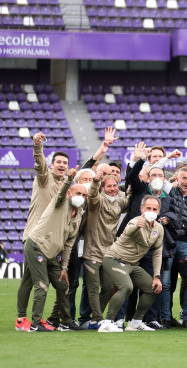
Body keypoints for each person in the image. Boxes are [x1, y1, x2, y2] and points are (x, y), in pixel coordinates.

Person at [16, 166, 85, 332]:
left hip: (53, 254)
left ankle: (66, 322)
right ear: (70, 193)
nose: (80, 197)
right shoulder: (60, 201)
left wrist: (64, 268)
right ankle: (35, 323)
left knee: (63, 286)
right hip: (37, 246)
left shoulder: (79, 214)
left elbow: (69, 243)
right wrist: (68, 179)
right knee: (42, 284)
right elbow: (61, 193)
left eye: (84, 195)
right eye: (77, 193)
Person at [98, 196, 164, 332]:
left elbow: (157, 253)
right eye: (148, 208)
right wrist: (136, 227)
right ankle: (107, 322)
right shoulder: (135, 221)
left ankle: (135, 322)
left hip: (132, 265)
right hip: (114, 259)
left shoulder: (159, 228)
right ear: (142, 209)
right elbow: (129, 230)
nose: (151, 211)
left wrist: (157, 276)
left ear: (159, 211)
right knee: (126, 287)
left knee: (153, 288)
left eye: (154, 209)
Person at [80, 172, 131, 330]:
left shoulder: (118, 202)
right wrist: (95, 181)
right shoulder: (97, 200)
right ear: (103, 188)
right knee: (93, 288)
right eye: (108, 186)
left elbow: (130, 199)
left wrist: (136, 177)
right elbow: (92, 195)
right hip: (92, 252)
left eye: (115, 186)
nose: (112, 189)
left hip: (108, 254)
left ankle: (97, 318)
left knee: (109, 287)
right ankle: (96, 320)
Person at [160, 167, 187, 328]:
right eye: (184, 178)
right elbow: (156, 171)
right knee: (166, 283)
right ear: (177, 179)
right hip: (167, 242)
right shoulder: (170, 191)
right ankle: (165, 318)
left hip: (184, 244)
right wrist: (168, 157)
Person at [23, 132, 69, 241]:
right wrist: (38, 145)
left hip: (53, 241)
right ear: (51, 165)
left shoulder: (66, 184)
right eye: (58, 162)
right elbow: (40, 164)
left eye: (65, 163)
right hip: (36, 239)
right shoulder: (44, 177)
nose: (62, 165)